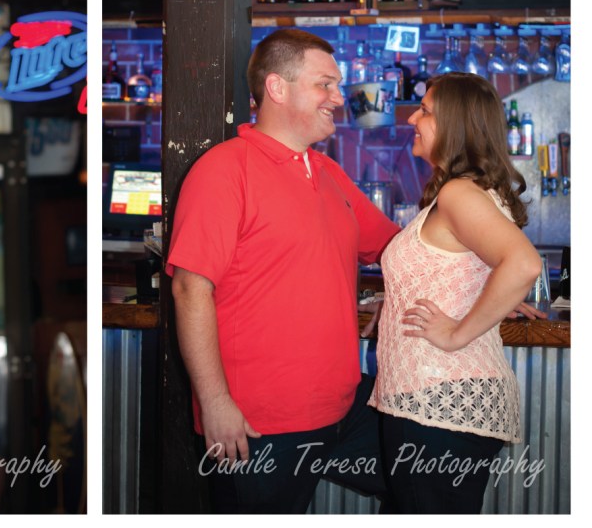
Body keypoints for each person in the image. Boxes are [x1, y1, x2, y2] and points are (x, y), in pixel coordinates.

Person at [167, 28, 401, 513]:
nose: (339, 97)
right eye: (325, 84)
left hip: (343, 406)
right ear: (277, 88)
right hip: (259, 424)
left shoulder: (328, 171)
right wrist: (214, 402)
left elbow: (400, 249)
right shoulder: (224, 169)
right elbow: (191, 289)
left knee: (428, 486)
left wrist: (487, 270)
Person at [368, 73, 542, 513]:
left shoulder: (459, 193)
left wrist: (456, 333)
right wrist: (394, 305)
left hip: (437, 397)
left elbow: (522, 264)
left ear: (457, 125)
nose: (413, 118)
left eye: (426, 110)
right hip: (434, 400)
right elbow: (460, 268)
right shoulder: (462, 192)